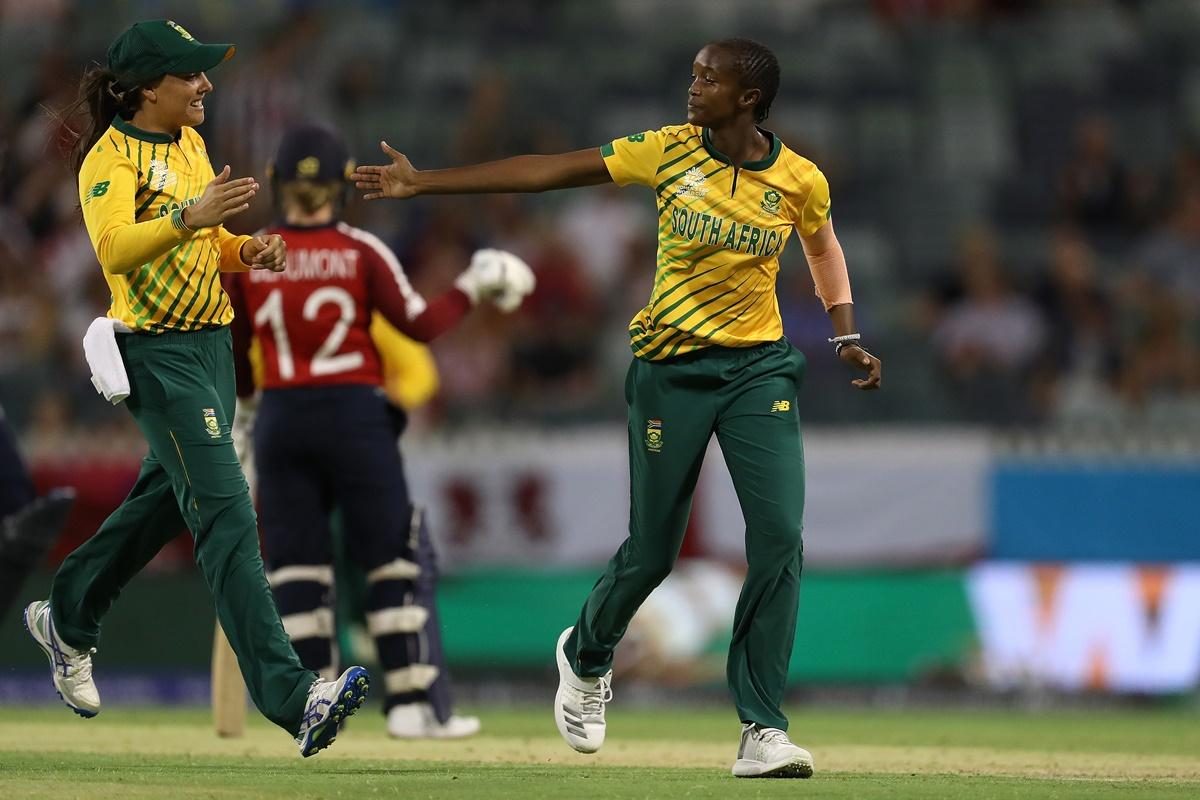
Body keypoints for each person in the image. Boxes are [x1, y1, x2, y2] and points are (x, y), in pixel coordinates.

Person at [355, 37, 882, 779]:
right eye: (695, 74)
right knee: (653, 553)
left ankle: (762, 726)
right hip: (671, 372)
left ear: (749, 100)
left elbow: (822, 247)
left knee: (779, 538)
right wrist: (426, 183)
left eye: (709, 79)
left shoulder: (799, 178)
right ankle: (587, 653)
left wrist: (844, 329)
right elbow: (548, 172)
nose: (692, 87)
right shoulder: (666, 150)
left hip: (759, 371)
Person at [22, 20, 368, 758]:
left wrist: (247, 249)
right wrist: (190, 217)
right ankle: (294, 695)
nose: (207, 83)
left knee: (161, 509)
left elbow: (204, 241)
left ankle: (69, 617)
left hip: (209, 347)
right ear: (149, 87)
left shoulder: (187, 142)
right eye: (192, 74)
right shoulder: (108, 159)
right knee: (227, 517)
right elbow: (114, 248)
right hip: (156, 356)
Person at [225, 125, 535, 740]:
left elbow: (237, 348)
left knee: (296, 566)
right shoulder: (361, 251)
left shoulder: (250, 253)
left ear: (279, 178)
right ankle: (413, 706)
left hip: (283, 417)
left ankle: (311, 704)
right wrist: (474, 282)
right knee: (390, 559)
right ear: (342, 184)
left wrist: (247, 410)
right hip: (354, 417)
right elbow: (418, 326)